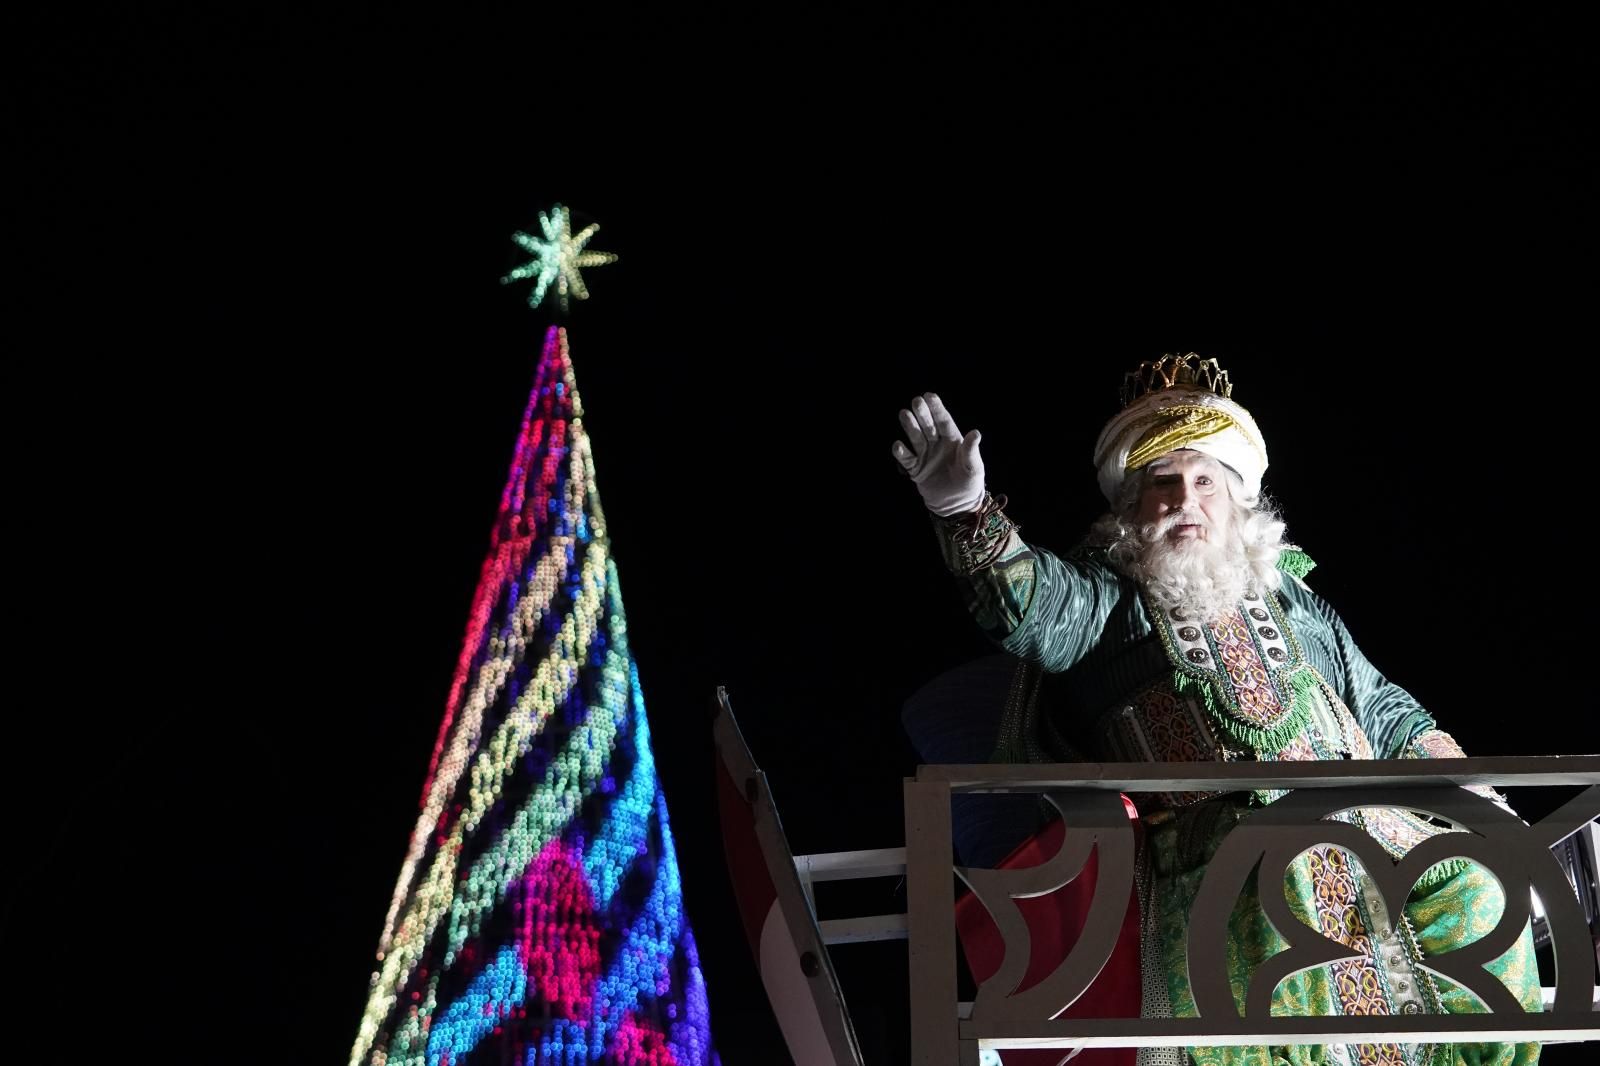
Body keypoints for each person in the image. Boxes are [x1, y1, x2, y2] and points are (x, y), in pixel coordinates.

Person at [892, 354, 1541, 1066]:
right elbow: (1028, 606)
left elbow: (1385, 709)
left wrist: (1475, 794)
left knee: (1482, 882)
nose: (1183, 501)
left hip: (1368, 827)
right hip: (1221, 854)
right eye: (1162, 485)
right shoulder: (1108, 604)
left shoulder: (1298, 603)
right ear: (1131, 509)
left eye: (1204, 482)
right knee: (1290, 875)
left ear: (1237, 502)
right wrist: (963, 512)